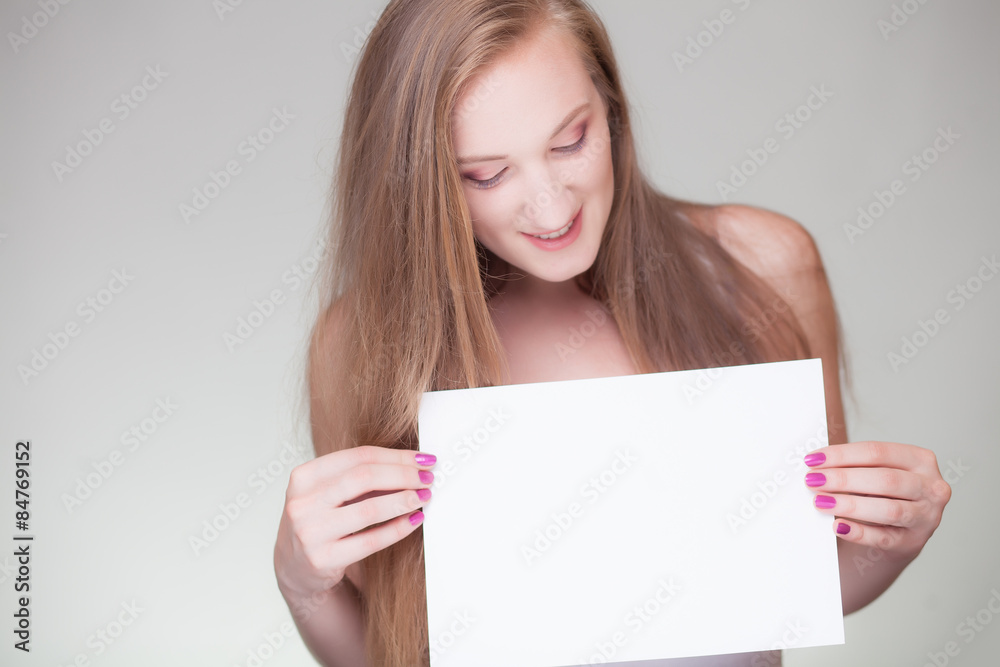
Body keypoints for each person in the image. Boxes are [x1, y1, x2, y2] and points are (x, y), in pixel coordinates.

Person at [272, 1, 953, 665]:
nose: (550, 204)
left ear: (612, 108)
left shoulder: (762, 268)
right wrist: (302, 582)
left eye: (570, 140)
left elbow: (801, 585)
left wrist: (893, 536)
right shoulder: (361, 343)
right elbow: (384, 652)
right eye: (485, 174)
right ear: (421, 186)